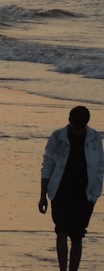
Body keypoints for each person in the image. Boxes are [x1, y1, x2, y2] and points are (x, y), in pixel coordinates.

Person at [40, 105, 104, 271]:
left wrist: (96, 192)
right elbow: (47, 164)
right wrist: (43, 195)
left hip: (84, 194)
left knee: (77, 236)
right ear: (69, 121)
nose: (77, 130)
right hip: (60, 191)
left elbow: (100, 167)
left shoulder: (95, 138)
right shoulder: (57, 137)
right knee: (61, 231)